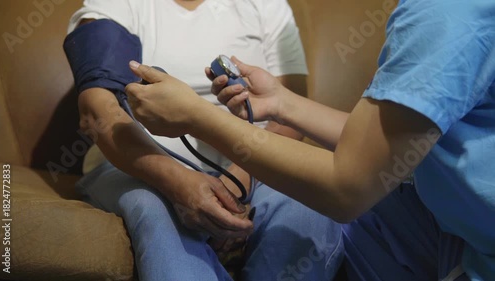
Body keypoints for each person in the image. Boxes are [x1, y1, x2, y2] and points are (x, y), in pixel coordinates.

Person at [125, 0, 495, 280]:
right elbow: (383, 144)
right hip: (464, 230)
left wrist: (196, 117)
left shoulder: (447, 14)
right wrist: (281, 104)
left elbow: (346, 187)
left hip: (478, 247)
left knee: (308, 209)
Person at [65, 0, 344, 280]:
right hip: (138, 167)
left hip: (255, 167)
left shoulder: (267, 6)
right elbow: (97, 112)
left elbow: (289, 114)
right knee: (157, 211)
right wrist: (176, 182)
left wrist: (237, 183)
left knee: (308, 209)